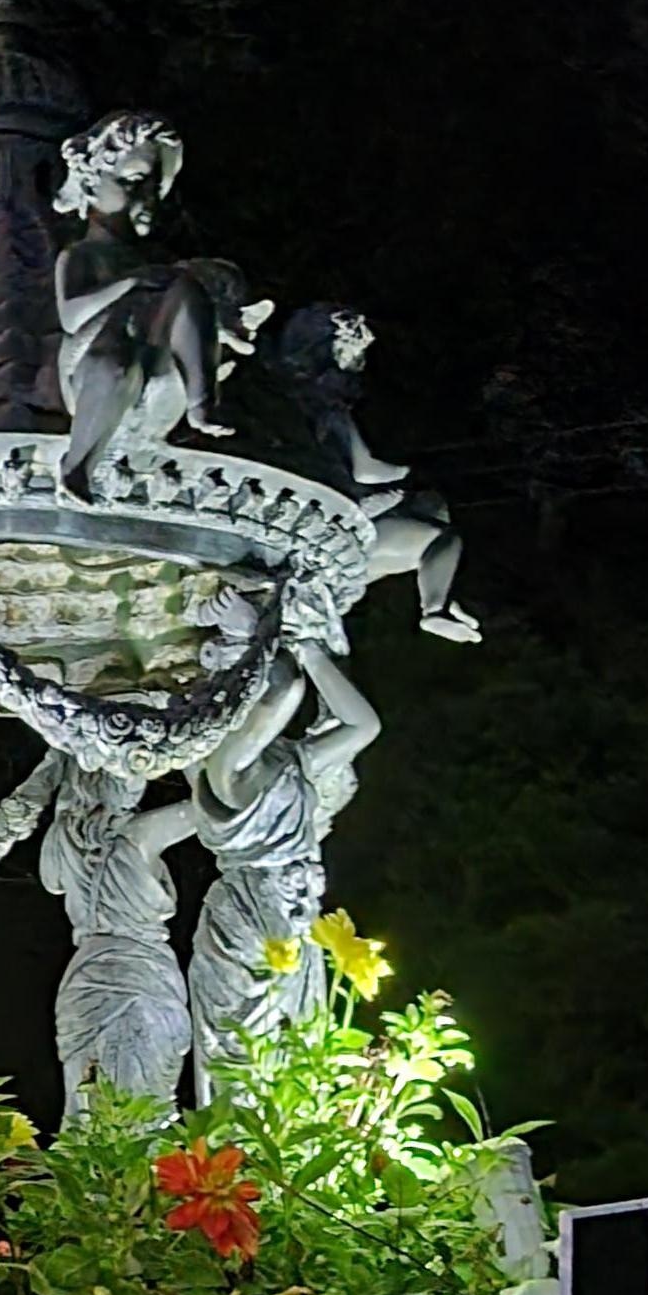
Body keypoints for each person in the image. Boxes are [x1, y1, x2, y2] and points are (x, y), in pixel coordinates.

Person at [185, 592, 380, 1091]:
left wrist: (311, 651)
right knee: (244, 1056)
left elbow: (365, 725)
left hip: (292, 915)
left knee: (293, 1052)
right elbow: (284, 688)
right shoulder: (227, 770)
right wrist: (259, 639)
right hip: (250, 926)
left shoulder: (289, 762)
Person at [52, 113, 271, 502]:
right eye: (133, 182)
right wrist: (130, 283)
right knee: (117, 359)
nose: (146, 199)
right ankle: (78, 464)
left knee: (184, 285)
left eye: (154, 188)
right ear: (90, 184)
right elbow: (71, 317)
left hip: (150, 370)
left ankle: (202, 404)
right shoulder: (80, 255)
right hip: (95, 368)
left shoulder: (159, 271)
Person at [273, 304, 481, 643]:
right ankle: (435, 604)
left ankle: (440, 596)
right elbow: (367, 470)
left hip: (333, 532)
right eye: (355, 352)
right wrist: (404, 473)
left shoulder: (308, 406)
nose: (360, 362)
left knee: (431, 529)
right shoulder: (331, 411)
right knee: (440, 536)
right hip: (336, 526)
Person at [38, 761, 200, 1107]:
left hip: (87, 975)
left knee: (87, 1098)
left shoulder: (62, 842)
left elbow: (52, 883)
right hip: (140, 973)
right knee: (144, 1102)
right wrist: (193, 755)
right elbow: (219, 806)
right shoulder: (140, 835)